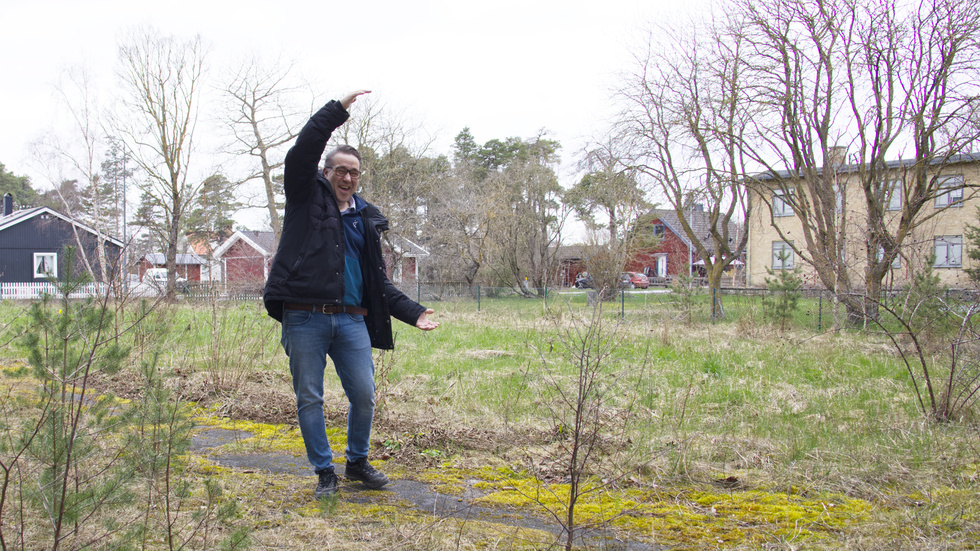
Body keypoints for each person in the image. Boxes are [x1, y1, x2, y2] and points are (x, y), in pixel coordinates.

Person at [263, 90, 439, 499]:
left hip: (351, 320)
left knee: (364, 394)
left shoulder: (366, 221)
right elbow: (301, 152)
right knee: (310, 397)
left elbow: (377, 284)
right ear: (326, 172)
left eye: (354, 172)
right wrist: (336, 112)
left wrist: (413, 313)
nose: (347, 177)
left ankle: (356, 461)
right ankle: (324, 471)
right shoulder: (306, 199)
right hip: (304, 317)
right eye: (340, 169)